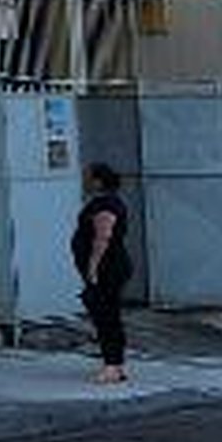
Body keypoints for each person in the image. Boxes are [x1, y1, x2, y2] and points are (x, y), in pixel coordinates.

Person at [71, 161, 134, 382]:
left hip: (108, 268)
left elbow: (103, 236)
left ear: (98, 181)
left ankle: (112, 365)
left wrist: (92, 268)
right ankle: (115, 364)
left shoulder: (105, 205)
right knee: (106, 314)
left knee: (106, 316)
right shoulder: (105, 202)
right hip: (110, 267)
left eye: (88, 177)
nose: (84, 181)